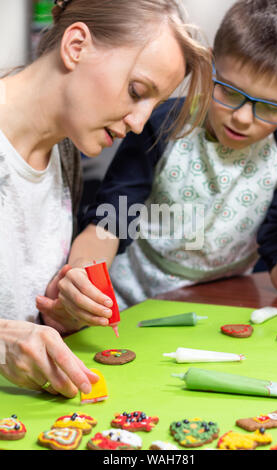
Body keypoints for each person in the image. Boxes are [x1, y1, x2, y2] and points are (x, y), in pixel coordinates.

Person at [38, 0, 277, 325]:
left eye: (272, 108)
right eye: (231, 93)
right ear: (210, 65)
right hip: (130, 300)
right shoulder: (160, 123)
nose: (244, 118)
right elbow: (112, 220)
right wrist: (82, 273)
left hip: (222, 309)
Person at [0, 0, 212, 397]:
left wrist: (62, 312)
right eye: (136, 91)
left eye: (152, 105)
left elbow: (23, 314)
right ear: (76, 45)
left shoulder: (65, 152)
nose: (137, 123)